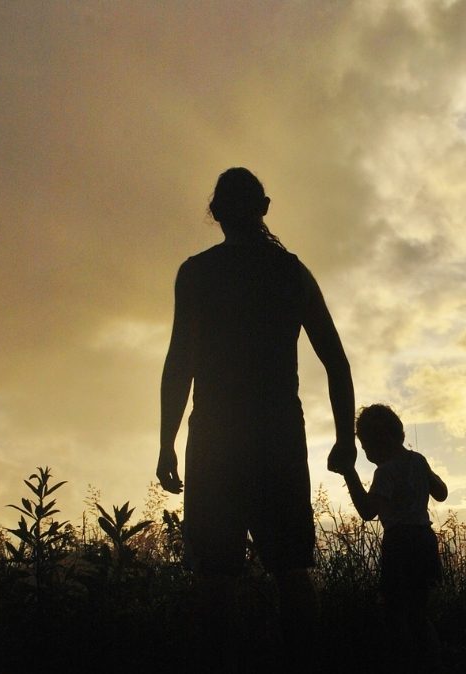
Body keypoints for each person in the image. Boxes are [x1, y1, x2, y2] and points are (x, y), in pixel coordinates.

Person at [157, 167, 356, 662]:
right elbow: (337, 361)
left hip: (216, 440)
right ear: (264, 207)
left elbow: (179, 361)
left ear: (218, 212)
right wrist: (346, 439)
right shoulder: (290, 272)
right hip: (278, 437)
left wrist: (166, 442)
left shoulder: (198, 273)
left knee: (214, 577)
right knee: (291, 571)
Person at [341, 404, 448, 669]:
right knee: (420, 614)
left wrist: (349, 473)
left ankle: (407, 663)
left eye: (365, 445)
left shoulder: (385, 472)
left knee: (396, 614)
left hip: (400, 544)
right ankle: (433, 663)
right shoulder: (419, 460)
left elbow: (367, 511)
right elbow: (442, 493)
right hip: (424, 539)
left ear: (380, 441)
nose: (365, 451)